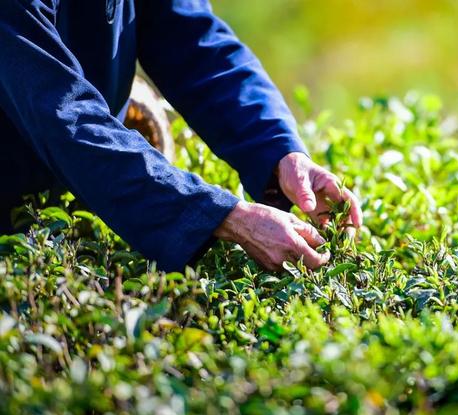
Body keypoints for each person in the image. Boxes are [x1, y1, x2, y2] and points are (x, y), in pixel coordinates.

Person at [0, 0, 362, 272]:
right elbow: (63, 116)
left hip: (79, 201)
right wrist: (223, 216)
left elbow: (195, 44)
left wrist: (279, 151)